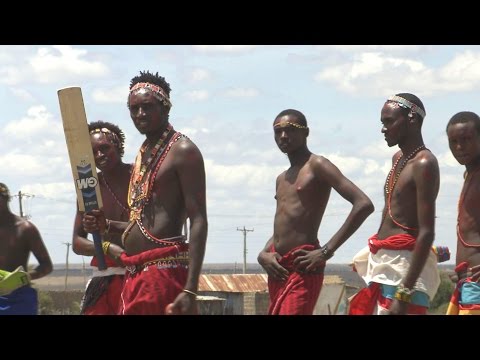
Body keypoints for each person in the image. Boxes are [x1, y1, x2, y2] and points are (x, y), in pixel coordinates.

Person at [83, 71, 208, 315]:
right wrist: (106, 224)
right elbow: (142, 222)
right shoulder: (145, 152)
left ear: (165, 107)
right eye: (134, 109)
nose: (140, 114)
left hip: (164, 274)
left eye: (147, 107)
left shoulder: (182, 150)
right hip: (136, 274)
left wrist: (191, 288)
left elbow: (199, 219)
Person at [257, 109, 374, 315]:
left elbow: (363, 204)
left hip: (304, 265)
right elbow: (284, 226)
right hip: (278, 269)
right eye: (278, 131)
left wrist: (326, 251)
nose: (283, 136)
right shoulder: (281, 178)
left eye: (290, 130)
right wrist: (264, 253)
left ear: (306, 132)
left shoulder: (317, 165)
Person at [349, 93, 441, 315]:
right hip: (383, 265)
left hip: (404, 270)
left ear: (411, 119)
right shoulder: (398, 158)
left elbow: (426, 233)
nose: (383, 129)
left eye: (389, 121)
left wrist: (404, 293)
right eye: (383, 123)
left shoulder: (424, 163)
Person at [72, 121, 131, 315]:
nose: (99, 155)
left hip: (138, 275)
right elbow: (77, 242)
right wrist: (106, 248)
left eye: (105, 148)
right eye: (93, 151)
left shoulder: (140, 178)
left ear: (119, 146)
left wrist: (108, 226)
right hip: (103, 281)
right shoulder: (88, 186)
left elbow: (150, 228)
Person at [445, 111, 480, 315]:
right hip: (467, 284)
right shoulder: (470, 174)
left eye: (466, 139)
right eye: (453, 141)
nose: (459, 147)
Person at [0, 182, 53, 314]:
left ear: (6, 198)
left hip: (19, 300)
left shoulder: (25, 229)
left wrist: (22, 278)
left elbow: (47, 266)